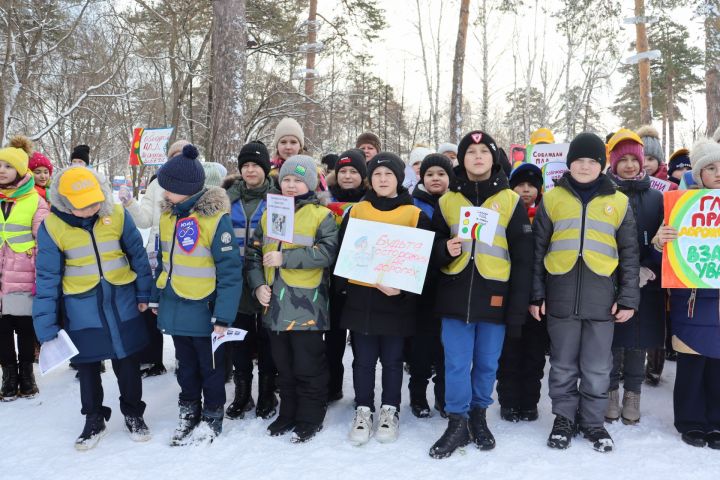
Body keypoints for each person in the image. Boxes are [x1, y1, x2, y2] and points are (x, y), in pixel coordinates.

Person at [531, 132, 640, 453]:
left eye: (592, 161)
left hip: (601, 298)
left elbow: (630, 255)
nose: (584, 166)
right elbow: (538, 251)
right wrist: (537, 295)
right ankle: (563, 418)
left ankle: (593, 421)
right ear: (569, 164)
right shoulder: (552, 199)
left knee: (597, 366)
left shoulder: (618, 202)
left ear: (602, 166)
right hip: (560, 293)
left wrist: (628, 298)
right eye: (578, 160)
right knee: (563, 363)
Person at [428, 130, 533, 459]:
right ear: (460, 159)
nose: (477, 157)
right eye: (470, 152)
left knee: (487, 364)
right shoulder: (446, 201)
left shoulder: (511, 201)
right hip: (455, 297)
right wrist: (445, 249)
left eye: (483, 152)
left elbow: (523, 259)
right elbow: (430, 251)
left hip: (494, 296)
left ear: (493, 158)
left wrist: (516, 311)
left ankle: (479, 416)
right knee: (456, 364)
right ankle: (457, 421)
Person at [33, 166, 152, 450]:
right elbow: (47, 278)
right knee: (87, 366)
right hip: (81, 307)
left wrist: (145, 292)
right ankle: (94, 419)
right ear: (65, 203)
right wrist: (46, 324)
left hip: (121, 300)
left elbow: (137, 255)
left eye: (95, 201)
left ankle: (134, 413)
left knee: (128, 362)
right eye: (83, 205)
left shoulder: (117, 215)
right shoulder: (52, 228)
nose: (92, 208)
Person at [150, 144, 243, 445]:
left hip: (207, 310)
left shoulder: (215, 220)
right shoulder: (168, 216)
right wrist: (156, 296)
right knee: (185, 366)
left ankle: (213, 415)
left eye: (169, 189)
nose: (164, 194)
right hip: (176, 305)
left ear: (186, 189)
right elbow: (164, 261)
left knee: (211, 369)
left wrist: (224, 315)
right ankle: (188, 410)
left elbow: (230, 272)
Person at [340, 152, 432, 446]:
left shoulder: (414, 214)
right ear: (370, 178)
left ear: (399, 179)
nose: (382, 179)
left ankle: (390, 409)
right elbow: (343, 254)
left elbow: (424, 262)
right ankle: (363, 409)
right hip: (362, 299)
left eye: (388, 174)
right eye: (377, 174)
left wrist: (403, 289)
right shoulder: (357, 211)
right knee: (363, 361)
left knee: (393, 360)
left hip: (396, 302)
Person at [246, 155, 338, 443]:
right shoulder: (268, 213)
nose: (291, 185)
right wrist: (258, 285)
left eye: (298, 180)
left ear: (309, 183)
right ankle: (287, 412)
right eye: (286, 179)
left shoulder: (322, 216)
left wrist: (286, 257)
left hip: (306, 306)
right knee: (282, 365)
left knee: (307, 365)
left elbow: (327, 253)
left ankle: (310, 416)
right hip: (274, 305)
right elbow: (253, 255)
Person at [653, 138, 720, 449]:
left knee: (718, 367)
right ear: (699, 173)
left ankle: (716, 422)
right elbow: (663, 261)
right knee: (692, 366)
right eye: (711, 167)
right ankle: (691, 422)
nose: (718, 173)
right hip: (692, 301)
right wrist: (659, 241)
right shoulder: (681, 206)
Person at [604, 129, 664, 426]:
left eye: (634, 159)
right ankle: (611, 392)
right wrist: (623, 272)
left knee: (638, 342)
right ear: (613, 163)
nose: (629, 165)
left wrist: (649, 264)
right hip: (613, 280)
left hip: (648, 280)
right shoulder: (605, 194)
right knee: (613, 340)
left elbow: (665, 238)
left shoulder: (658, 197)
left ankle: (633, 394)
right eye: (622, 159)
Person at [118, 140, 192, 378]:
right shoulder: (156, 184)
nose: (178, 159)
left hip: (187, 251)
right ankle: (151, 359)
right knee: (152, 305)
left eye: (183, 154)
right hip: (157, 251)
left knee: (183, 303)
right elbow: (145, 220)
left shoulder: (197, 183)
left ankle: (185, 357)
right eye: (173, 155)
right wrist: (130, 203)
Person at [223, 141, 279, 420]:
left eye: (255, 165)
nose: (250, 170)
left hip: (266, 279)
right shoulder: (226, 198)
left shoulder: (278, 199)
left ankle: (268, 391)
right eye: (245, 165)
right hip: (235, 280)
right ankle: (243, 393)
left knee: (268, 338)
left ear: (266, 168)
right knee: (240, 339)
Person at [496, 161, 548, 423]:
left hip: (538, 298)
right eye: (520, 185)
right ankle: (508, 400)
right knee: (509, 353)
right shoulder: (503, 214)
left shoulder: (546, 215)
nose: (526, 190)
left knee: (534, 354)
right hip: (509, 296)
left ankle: (529, 402)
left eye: (531, 186)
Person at [0, 136, 49, 401]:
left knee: (25, 328)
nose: (1, 170)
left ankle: (27, 377)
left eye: (7, 165)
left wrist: (39, 271)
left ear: (20, 169)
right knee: (2, 330)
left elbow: (44, 240)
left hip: (23, 275)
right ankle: (8, 377)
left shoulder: (34, 201)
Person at [407, 153, 453, 418]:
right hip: (419, 286)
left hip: (450, 285)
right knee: (420, 347)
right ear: (421, 177)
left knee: (447, 348)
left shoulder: (457, 203)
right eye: (430, 174)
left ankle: (444, 397)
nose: (436, 179)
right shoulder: (412, 204)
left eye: (441, 174)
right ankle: (417, 396)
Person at [324, 148, 369, 402]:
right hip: (330, 277)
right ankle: (332, 386)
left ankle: (362, 393)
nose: (348, 176)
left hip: (360, 278)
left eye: (354, 171)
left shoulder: (370, 199)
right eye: (343, 171)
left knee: (362, 341)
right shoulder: (324, 198)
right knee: (333, 337)